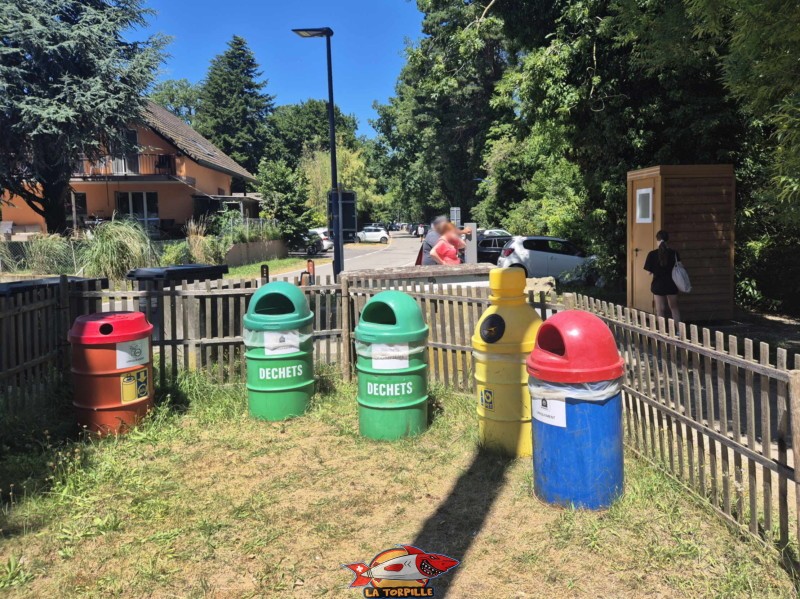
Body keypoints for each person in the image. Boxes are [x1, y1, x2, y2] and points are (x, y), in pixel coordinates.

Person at [644, 230, 681, 324]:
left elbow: (648, 272)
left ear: (657, 240)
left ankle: (662, 332)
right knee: (674, 308)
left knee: (660, 310)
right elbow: (680, 267)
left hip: (658, 285)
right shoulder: (674, 253)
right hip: (672, 284)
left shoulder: (652, 254)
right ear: (667, 240)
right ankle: (678, 332)